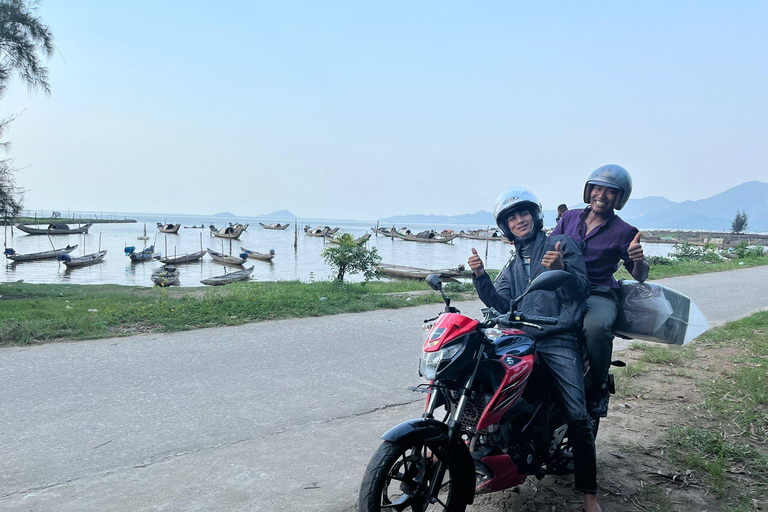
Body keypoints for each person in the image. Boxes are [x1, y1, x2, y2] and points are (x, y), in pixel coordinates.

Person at [468, 187, 601, 512]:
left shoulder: (562, 244)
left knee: (577, 414)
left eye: (523, 213)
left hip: (557, 338)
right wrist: (481, 276)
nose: (519, 220)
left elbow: (582, 291)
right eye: (511, 217)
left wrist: (563, 270)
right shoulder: (514, 262)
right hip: (520, 336)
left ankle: (589, 495)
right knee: (479, 382)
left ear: (535, 215)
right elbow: (502, 303)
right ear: (506, 226)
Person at [551, 164, 649, 418]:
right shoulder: (569, 218)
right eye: (597, 188)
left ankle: (600, 385)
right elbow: (548, 247)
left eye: (609, 191)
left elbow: (639, 275)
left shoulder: (624, 231)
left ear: (619, 198)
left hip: (598, 292)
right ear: (588, 190)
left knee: (595, 328)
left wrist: (638, 259)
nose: (601, 195)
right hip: (562, 286)